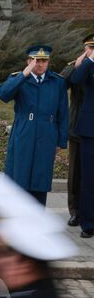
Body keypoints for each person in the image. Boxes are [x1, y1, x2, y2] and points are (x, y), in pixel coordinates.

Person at [0, 45, 69, 206]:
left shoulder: (57, 82)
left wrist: (61, 140)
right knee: (19, 175)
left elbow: (63, 111)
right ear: (29, 61)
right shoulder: (19, 78)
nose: (40, 64)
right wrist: (24, 74)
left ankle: (37, 218)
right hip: (24, 131)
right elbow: (3, 95)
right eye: (36, 60)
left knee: (40, 176)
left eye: (44, 61)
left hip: (47, 132)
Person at [62, 35, 94, 227]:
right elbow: (63, 83)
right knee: (76, 174)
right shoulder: (78, 65)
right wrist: (78, 64)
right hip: (77, 127)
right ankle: (75, 211)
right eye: (89, 47)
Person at [73, 40, 94, 238]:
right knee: (89, 178)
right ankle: (88, 224)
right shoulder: (88, 65)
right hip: (90, 129)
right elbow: (76, 80)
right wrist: (89, 59)